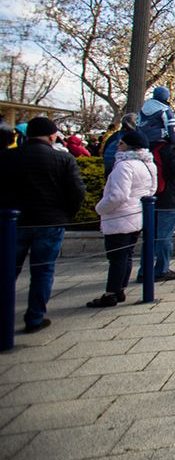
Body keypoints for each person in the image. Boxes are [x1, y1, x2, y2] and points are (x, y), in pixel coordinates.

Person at [0, 117, 85, 332]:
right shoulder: (63, 159)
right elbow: (77, 193)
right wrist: (67, 215)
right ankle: (35, 317)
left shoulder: (7, 157)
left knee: (8, 270)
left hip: (13, 222)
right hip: (49, 221)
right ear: (52, 135)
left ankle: (3, 317)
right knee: (43, 270)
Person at [88, 130, 156, 307]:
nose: (117, 146)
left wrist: (100, 208)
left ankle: (111, 292)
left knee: (117, 257)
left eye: (120, 143)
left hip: (120, 215)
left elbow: (118, 195)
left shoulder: (125, 165)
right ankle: (120, 289)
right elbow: (152, 190)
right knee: (126, 255)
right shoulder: (149, 164)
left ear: (127, 146)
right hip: (137, 213)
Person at [141, 130, 175, 282]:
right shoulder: (172, 149)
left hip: (149, 198)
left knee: (149, 237)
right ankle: (161, 269)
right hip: (169, 196)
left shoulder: (148, 148)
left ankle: (144, 269)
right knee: (164, 236)